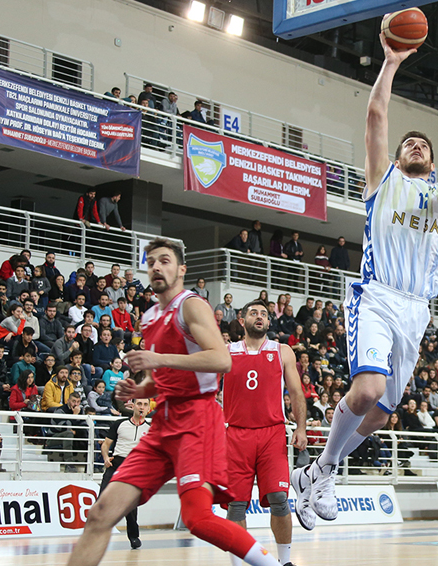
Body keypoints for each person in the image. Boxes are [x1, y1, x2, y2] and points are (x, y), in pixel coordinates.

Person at [288, 32, 438, 532]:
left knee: (382, 415)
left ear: (432, 163)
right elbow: (376, 119)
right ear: (397, 156)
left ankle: (317, 473)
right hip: (378, 296)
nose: (415, 146)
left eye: (423, 146)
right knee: (366, 390)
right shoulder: (381, 179)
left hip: (418, 311)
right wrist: (390, 64)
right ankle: (321, 472)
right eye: (408, 143)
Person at [65, 238, 281, 566]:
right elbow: (164, 378)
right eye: (151, 261)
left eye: (164, 260)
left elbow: (221, 360)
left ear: (181, 269)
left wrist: (158, 357)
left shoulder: (191, 305)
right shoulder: (150, 317)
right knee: (100, 513)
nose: (156, 266)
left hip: (197, 419)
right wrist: (140, 391)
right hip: (162, 423)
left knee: (198, 519)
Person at [224, 300, 307, 566]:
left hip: (272, 433)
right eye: (253, 313)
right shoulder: (226, 352)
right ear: (241, 320)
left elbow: (296, 392)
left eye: (263, 314)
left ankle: (285, 562)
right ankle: (238, 563)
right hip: (235, 434)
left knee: (280, 500)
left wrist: (301, 427)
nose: (259, 317)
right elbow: (206, 391)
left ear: (269, 322)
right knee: (236, 505)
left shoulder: (282, 351)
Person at [100, 398, 151, 550]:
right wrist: (105, 458)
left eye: (145, 404)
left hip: (134, 468)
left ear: (148, 408)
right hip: (115, 465)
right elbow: (106, 444)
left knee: (130, 506)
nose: (142, 407)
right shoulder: (119, 424)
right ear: (133, 406)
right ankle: (97, 534)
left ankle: (134, 537)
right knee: (102, 500)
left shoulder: (150, 429)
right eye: (139, 404)